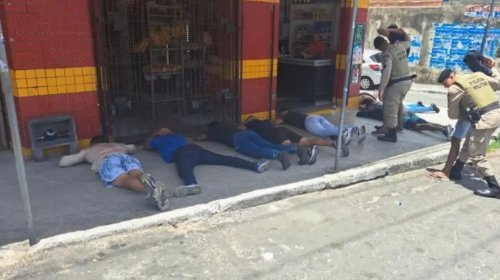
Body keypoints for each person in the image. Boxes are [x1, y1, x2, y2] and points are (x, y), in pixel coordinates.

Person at [433, 63, 500, 198]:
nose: (446, 86)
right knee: (470, 143)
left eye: (445, 83)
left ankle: (494, 187)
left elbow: (452, 115)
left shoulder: (455, 89)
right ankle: (456, 170)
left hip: (485, 119)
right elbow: (498, 83)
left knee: (477, 155)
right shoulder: (478, 75)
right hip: (496, 112)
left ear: (452, 76)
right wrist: (493, 68)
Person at [145, 127, 271, 197]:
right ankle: (255, 166)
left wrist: (165, 132)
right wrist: (156, 133)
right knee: (221, 160)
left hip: (186, 151)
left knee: (186, 168)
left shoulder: (176, 136)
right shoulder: (157, 140)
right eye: (161, 131)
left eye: (165, 130)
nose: (164, 131)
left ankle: (191, 185)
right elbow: (146, 146)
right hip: (189, 151)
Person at [58, 136, 170, 211]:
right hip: (125, 156)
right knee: (136, 173)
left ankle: (149, 191)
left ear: (92, 144)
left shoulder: (90, 150)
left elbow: (64, 162)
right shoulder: (118, 145)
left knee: (123, 180)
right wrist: (121, 147)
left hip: (107, 160)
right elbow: (133, 148)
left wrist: (84, 154)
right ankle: (144, 179)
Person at [198, 121, 316, 170]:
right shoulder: (229, 124)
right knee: (271, 145)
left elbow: (201, 137)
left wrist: (194, 137)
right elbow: (243, 127)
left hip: (237, 140)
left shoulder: (213, 131)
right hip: (249, 133)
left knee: (257, 151)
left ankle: (278, 155)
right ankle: (296, 149)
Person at [373, 27, 413, 142]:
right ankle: (387, 128)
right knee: (393, 107)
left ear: (380, 47)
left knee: (390, 109)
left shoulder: (386, 54)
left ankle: (391, 135)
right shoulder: (400, 46)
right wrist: (402, 31)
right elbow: (409, 41)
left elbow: (386, 72)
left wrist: (381, 89)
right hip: (407, 82)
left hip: (396, 84)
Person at [244, 115, 350, 157]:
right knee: (306, 140)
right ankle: (332, 144)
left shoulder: (250, 125)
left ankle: (309, 152)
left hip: (274, 134)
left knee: (288, 146)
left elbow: (242, 129)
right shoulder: (266, 121)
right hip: (282, 130)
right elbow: (277, 122)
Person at [357, 98, 453, 140]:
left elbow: (360, 114)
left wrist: (362, 109)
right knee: (425, 123)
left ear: (366, 105)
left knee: (416, 126)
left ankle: (443, 129)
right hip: (407, 111)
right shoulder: (379, 102)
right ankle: (445, 128)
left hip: (400, 115)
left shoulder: (373, 107)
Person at [276, 108, 366, 145]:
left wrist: (277, 119)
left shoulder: (287, 116)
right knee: (331, 128)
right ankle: (354, 129)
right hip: (315, 117)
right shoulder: (295, 112)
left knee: (322, 133)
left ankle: (343, 132)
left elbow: (277, 123)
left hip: (308, 122)